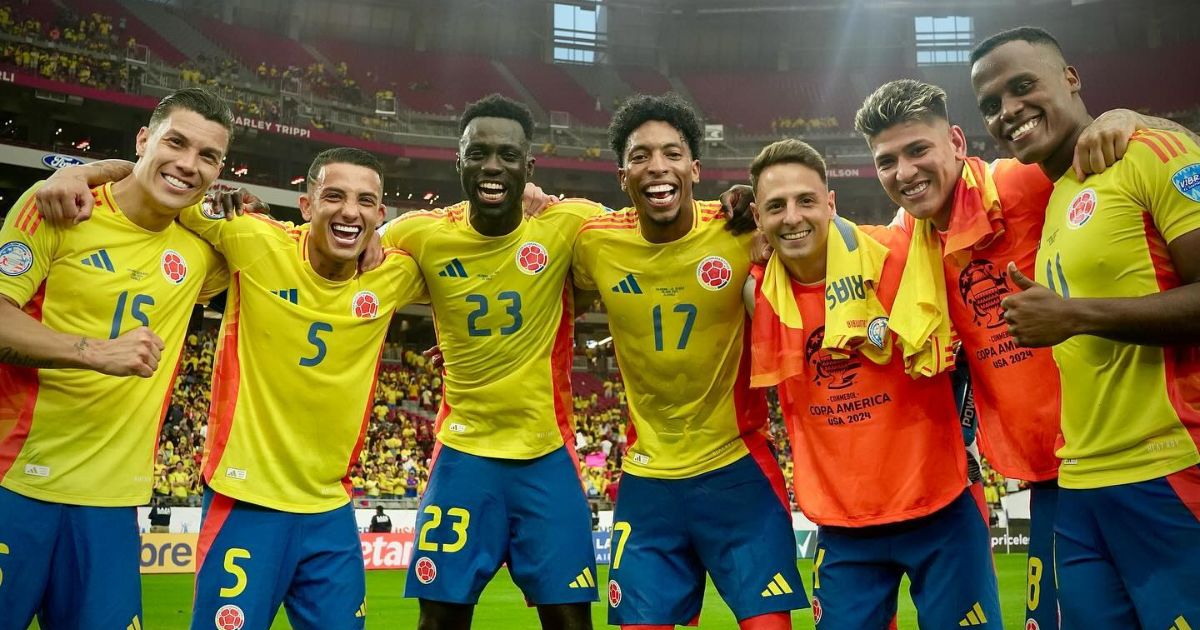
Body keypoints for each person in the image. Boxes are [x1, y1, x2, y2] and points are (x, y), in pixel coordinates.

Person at [850, 78, 1193, 630]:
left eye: (918, 150)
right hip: (1053, 476)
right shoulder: (909, 246)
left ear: (958, 142)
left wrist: (1127, 117)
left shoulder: (1026, 183)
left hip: (1134, 452)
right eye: (887, 161)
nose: (905, 172)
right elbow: (812, 242)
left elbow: (1157, 156)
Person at [43, 146, 429, 629]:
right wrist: (86, 172)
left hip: (331, 509)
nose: (350, 211)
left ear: (380, 214)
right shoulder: (253, 238)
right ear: (307, 206)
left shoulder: (393, 273)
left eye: (364, 202)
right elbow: (160, 183)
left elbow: (471, 251)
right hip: (245, 502)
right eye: (334, 196)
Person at [970, 26, 1200, 627]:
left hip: (1170, 467)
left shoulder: (1149, 151)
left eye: (1023, 87)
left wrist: (1074, 316)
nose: (1008, 112)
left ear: (1071, 78)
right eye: (991, 105)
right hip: (1080, 485)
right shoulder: (1053, 201)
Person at [745, 138, 1002, 629]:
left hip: (942, 507)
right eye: (775, 206)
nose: (792, 217)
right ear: (758, 216)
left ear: (831, 204)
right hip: (844, 526)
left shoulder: (901, 253)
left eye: (806, 200)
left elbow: (972, 189)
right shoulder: (756, 290)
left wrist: (1122, 120)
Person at [0, 87, 231, 630]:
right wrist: (93, 352)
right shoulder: (59, 205)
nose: (187, 165)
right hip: (14, 483)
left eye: (208, 157)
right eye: (175, 143)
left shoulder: (200, 252)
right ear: (144, 140)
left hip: (111, 506)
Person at [572, 94, 806, 630]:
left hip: (737, 473)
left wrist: (757, 197)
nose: (658, 167)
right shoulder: (593, 244)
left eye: (672, 153)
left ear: (694, 169)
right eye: (641, 156)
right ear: (622, 176)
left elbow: (807, 227)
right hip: (648, 482)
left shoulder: (743, 230)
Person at [380, 94, 603, 630]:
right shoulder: (420, 234)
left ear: (529, 167)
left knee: (572, 622)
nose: (492, 167)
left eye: (508, 155)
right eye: (478, 153)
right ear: (458, 160)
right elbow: (340, 247)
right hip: (464, 456)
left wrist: (730, 206)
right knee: (439, 621)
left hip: (545, 455)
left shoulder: (568, 224)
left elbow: (652, 231)